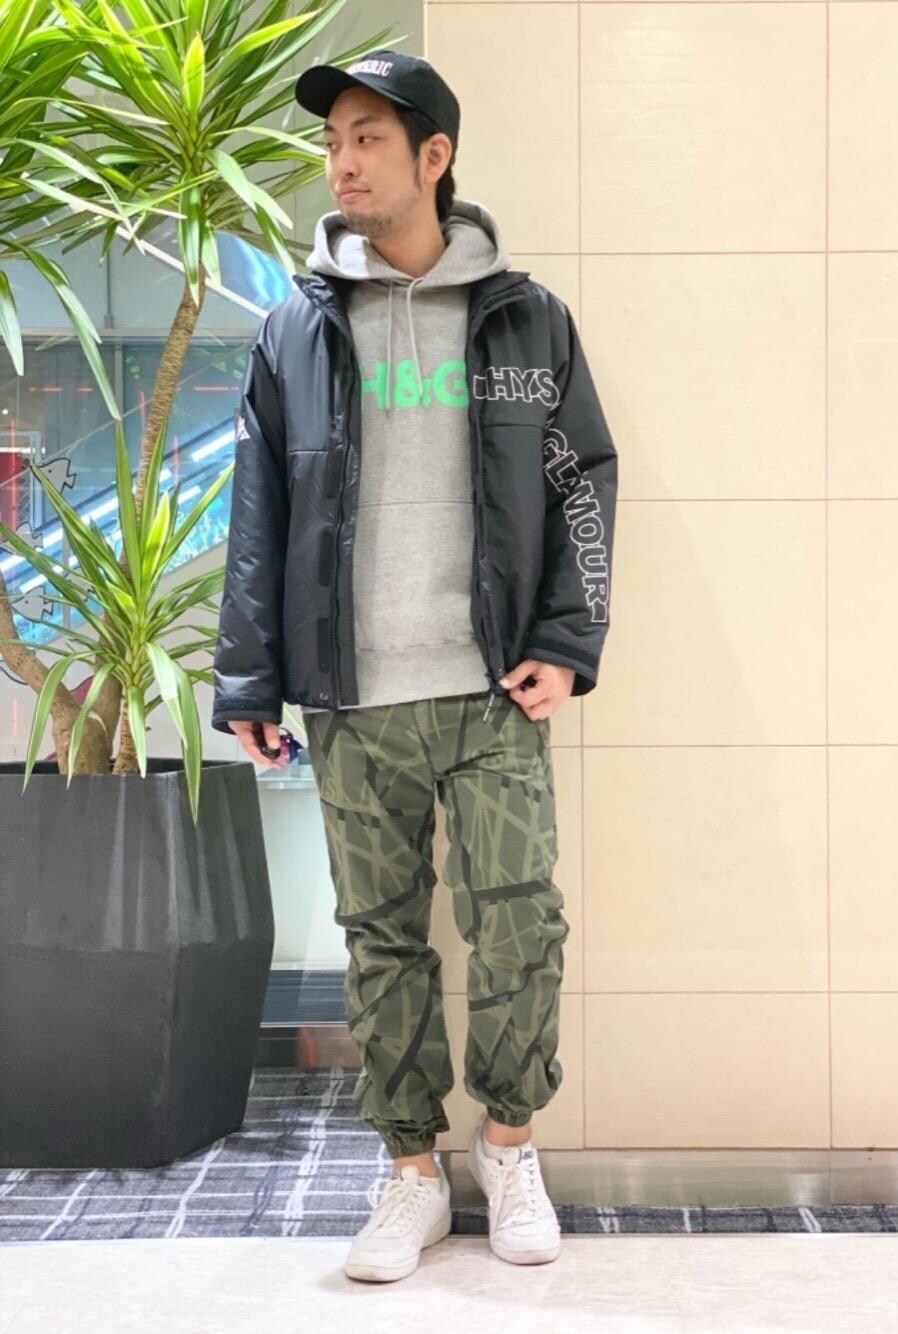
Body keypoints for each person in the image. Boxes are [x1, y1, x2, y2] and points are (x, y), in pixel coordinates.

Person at [211, 49, 618, 1283]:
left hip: (492, 691)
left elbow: (581, 479)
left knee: (519, 927)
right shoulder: (297, 327)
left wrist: (566, 643)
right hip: (353, 694)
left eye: (367, 138)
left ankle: (509, 1146)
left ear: (434, 156)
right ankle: (408, 1173)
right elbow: (258, 506)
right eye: (333, 139)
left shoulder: (525, 316)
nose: (340, 162)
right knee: (380, 942)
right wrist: (249, 680)